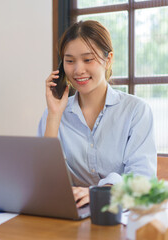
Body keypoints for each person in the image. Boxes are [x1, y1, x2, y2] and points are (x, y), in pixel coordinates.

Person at [37, 20, 157, 208]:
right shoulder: (53, 113)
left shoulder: (136, 111)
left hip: (117, 213)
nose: (78, 70)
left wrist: (100, 192)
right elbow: (43, 182)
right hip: (69, 216)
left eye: (88, 59)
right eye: (69, 61)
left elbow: (142, 179)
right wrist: (54, 115)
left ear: (108, 59)